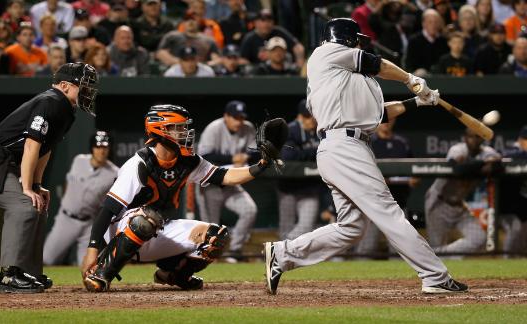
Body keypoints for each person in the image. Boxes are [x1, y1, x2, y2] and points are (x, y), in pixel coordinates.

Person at [264, 18, 469, 296]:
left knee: (352, 227)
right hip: (344, 146)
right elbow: (378, 64)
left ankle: (283, 254)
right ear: (345, 37)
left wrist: (416, 102)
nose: (360, 42)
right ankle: (435, 275)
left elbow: (378, 114)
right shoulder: (327, 52)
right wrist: (411, 79)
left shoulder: (342, 77)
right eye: (356, 38)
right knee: (388, 212)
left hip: (344, 146)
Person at [80, 104, 273, 292]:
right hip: (121, 232)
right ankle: (102, 272)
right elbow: (108, 209)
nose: (185, 132)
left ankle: (175, 275)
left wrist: (261, 165)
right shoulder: (140, 163)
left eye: (184, 127)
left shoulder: (188, 160)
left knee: (216, 236)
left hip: (158, 227)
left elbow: (224, 175)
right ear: (160, 129)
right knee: (147, 219)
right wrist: (93, 249)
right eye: (178, 128)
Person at [0, 62, 99, 293]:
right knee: (24, 206)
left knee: (37, 205)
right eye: (83, 86)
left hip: (8, 162)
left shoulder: (66, 108)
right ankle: (9, 275)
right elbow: (31, 146)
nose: (88, 91)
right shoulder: (50, 101)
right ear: (64, 86)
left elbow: (45, 150)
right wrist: (26, 187)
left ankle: (28, 273)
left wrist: (36, 185)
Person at [195, 100, 258, 263]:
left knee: (249, 210)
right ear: (226, 117)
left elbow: (256, 153)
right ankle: (206, 258)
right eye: (235, 117)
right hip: (210, 186)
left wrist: (247, 157)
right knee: (211, 226)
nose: (239, 121)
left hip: (231, 184)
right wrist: (232, 158)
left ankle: (235, 250)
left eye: (241, 117)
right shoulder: (214, 128)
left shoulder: (248, 128)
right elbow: (204, 157)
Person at [43, 131, 119, 266]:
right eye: (98, 147)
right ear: (92, 148)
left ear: (109, 149)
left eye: (104, 147)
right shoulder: (79, 160)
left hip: (89, 224)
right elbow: (68, 183)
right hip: (66, 219)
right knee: (47, 258)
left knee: (87, 265)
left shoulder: (114, 173)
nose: (101, 151)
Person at [424, 128, 502, 255]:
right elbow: (458, 169)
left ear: (482, 138)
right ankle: (439, 254)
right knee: (437, 243)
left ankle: (439, 253)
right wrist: (482, 164)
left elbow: (498, 165)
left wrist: (474, 165)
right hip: (438, 203)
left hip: (460, 206)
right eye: (471, 136)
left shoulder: (487, 152)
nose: (474, 140)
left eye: (477, 137)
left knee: (479, 238)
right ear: (465, 138)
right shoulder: (458, 149)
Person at [354, 116, 417, 259]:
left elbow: (415, 169)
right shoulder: (368, 142)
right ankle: (356, 281)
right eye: (382, 121)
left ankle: (401, 281)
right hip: (373, 203)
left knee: (400, 249)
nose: (385, 124)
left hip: (399, 201)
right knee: (366, 248)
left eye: (389, 120)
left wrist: (414, 179)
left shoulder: (402, 143)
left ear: (394, 121)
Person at [276, 99, 321, 240]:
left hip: (309, 188)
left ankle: (281, 250)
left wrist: (304, 153)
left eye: (313, 116)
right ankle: (283, 257)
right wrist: (315, 151)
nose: (311, 120)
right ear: (300, 116)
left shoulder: (322, 130)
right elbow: (288, 156)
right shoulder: (289, 130)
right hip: (288, 187)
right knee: (286, 227)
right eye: (307, 116)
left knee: (306, 226)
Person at [499, 125, 527, 256]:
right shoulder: (511, 152)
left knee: (521, 237)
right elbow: (506, 156)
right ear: (521, 140)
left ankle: (515, 261)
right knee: (514, 229)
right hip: (504, 206)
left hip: (520, 206)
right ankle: (506, 259)